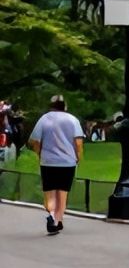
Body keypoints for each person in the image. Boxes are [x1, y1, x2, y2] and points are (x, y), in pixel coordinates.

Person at [27, 95, 83, 235]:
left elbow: (35, 141)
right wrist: (78, 157)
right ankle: (57, 221)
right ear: (65, 106)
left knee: (50, 195)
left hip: (48, 162)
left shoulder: (44, 119)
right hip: (67, 162)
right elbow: (78, 143)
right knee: (62, 194)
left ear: (51, 106)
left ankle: (51, 215)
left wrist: (39, 154)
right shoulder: (73, 120)